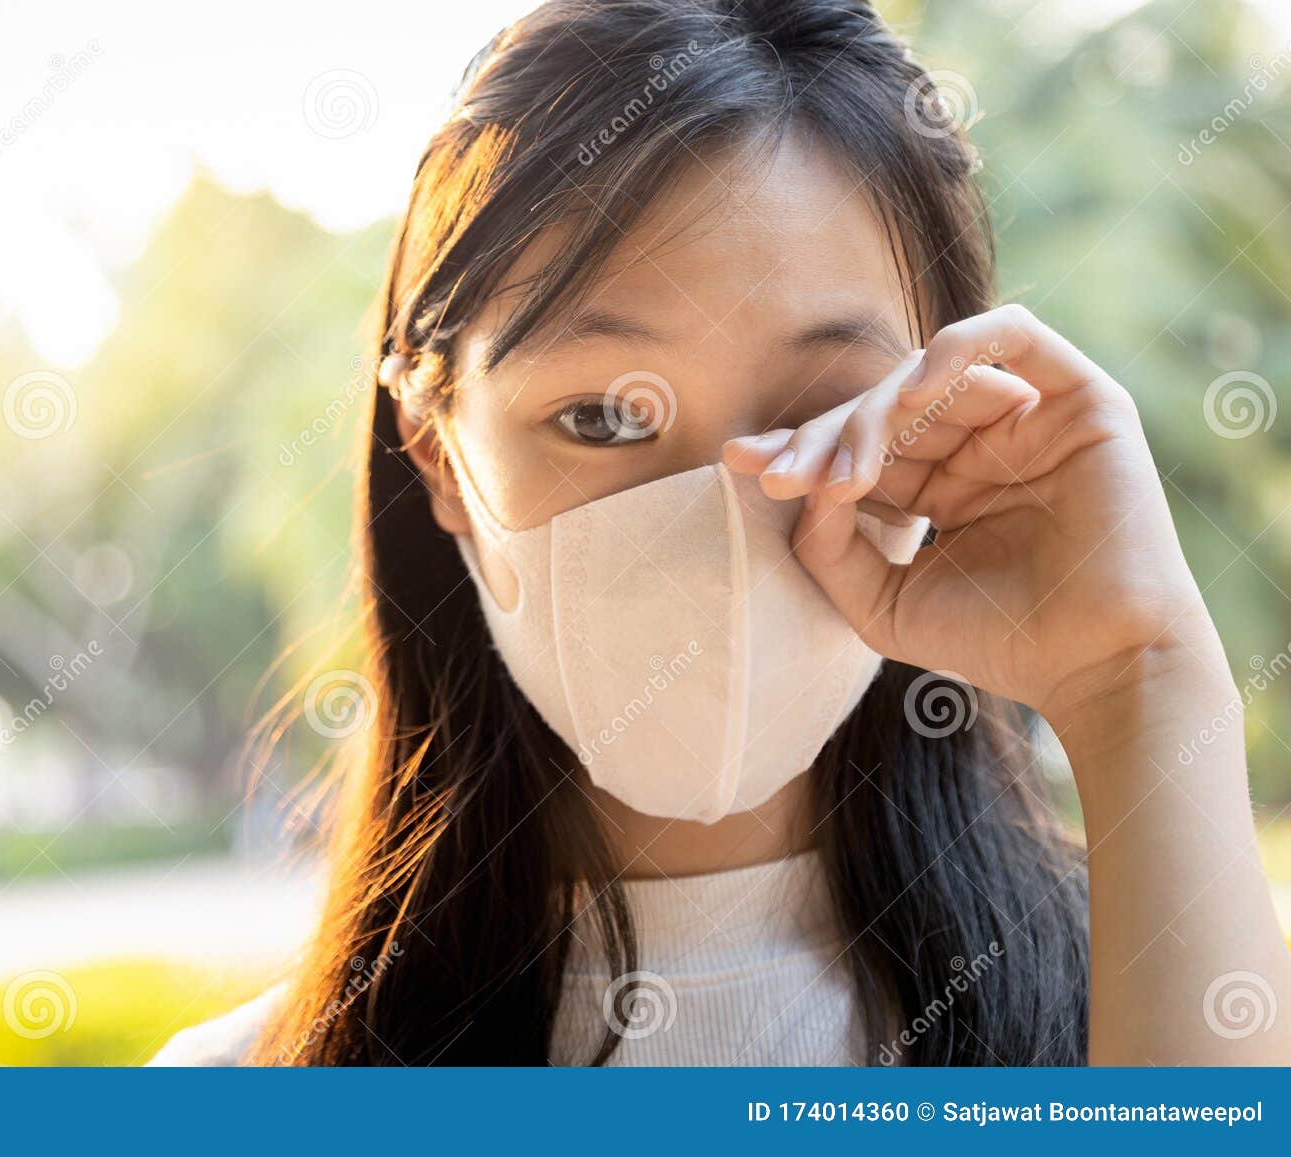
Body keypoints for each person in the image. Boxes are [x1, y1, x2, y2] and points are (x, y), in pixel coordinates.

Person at [154, 0, 1291, 1066]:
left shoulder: (1177, 1007)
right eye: (601, 417)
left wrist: (1138, 679)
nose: (722, 511)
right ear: (438, 452)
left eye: (822, 414)